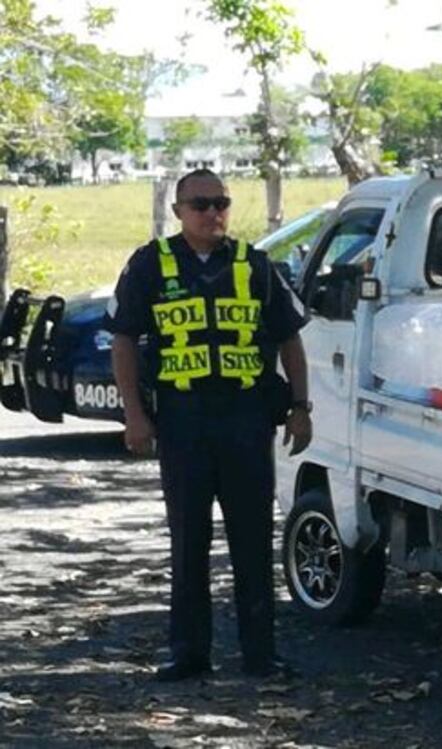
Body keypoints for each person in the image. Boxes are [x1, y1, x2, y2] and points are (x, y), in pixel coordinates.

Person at [104, 168, 313, 681]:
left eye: (221, 202)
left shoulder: (254, 264)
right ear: (179, 211)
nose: (212, 213)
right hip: (183, 422)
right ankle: (189, 654)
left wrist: (301, 406)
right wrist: (134, 414)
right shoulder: (150, 264)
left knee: (252, 540)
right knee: (188, 541)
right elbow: (124, 339)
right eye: (200, 204)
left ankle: (260, 655)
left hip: (246, 420)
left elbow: (289, 337)